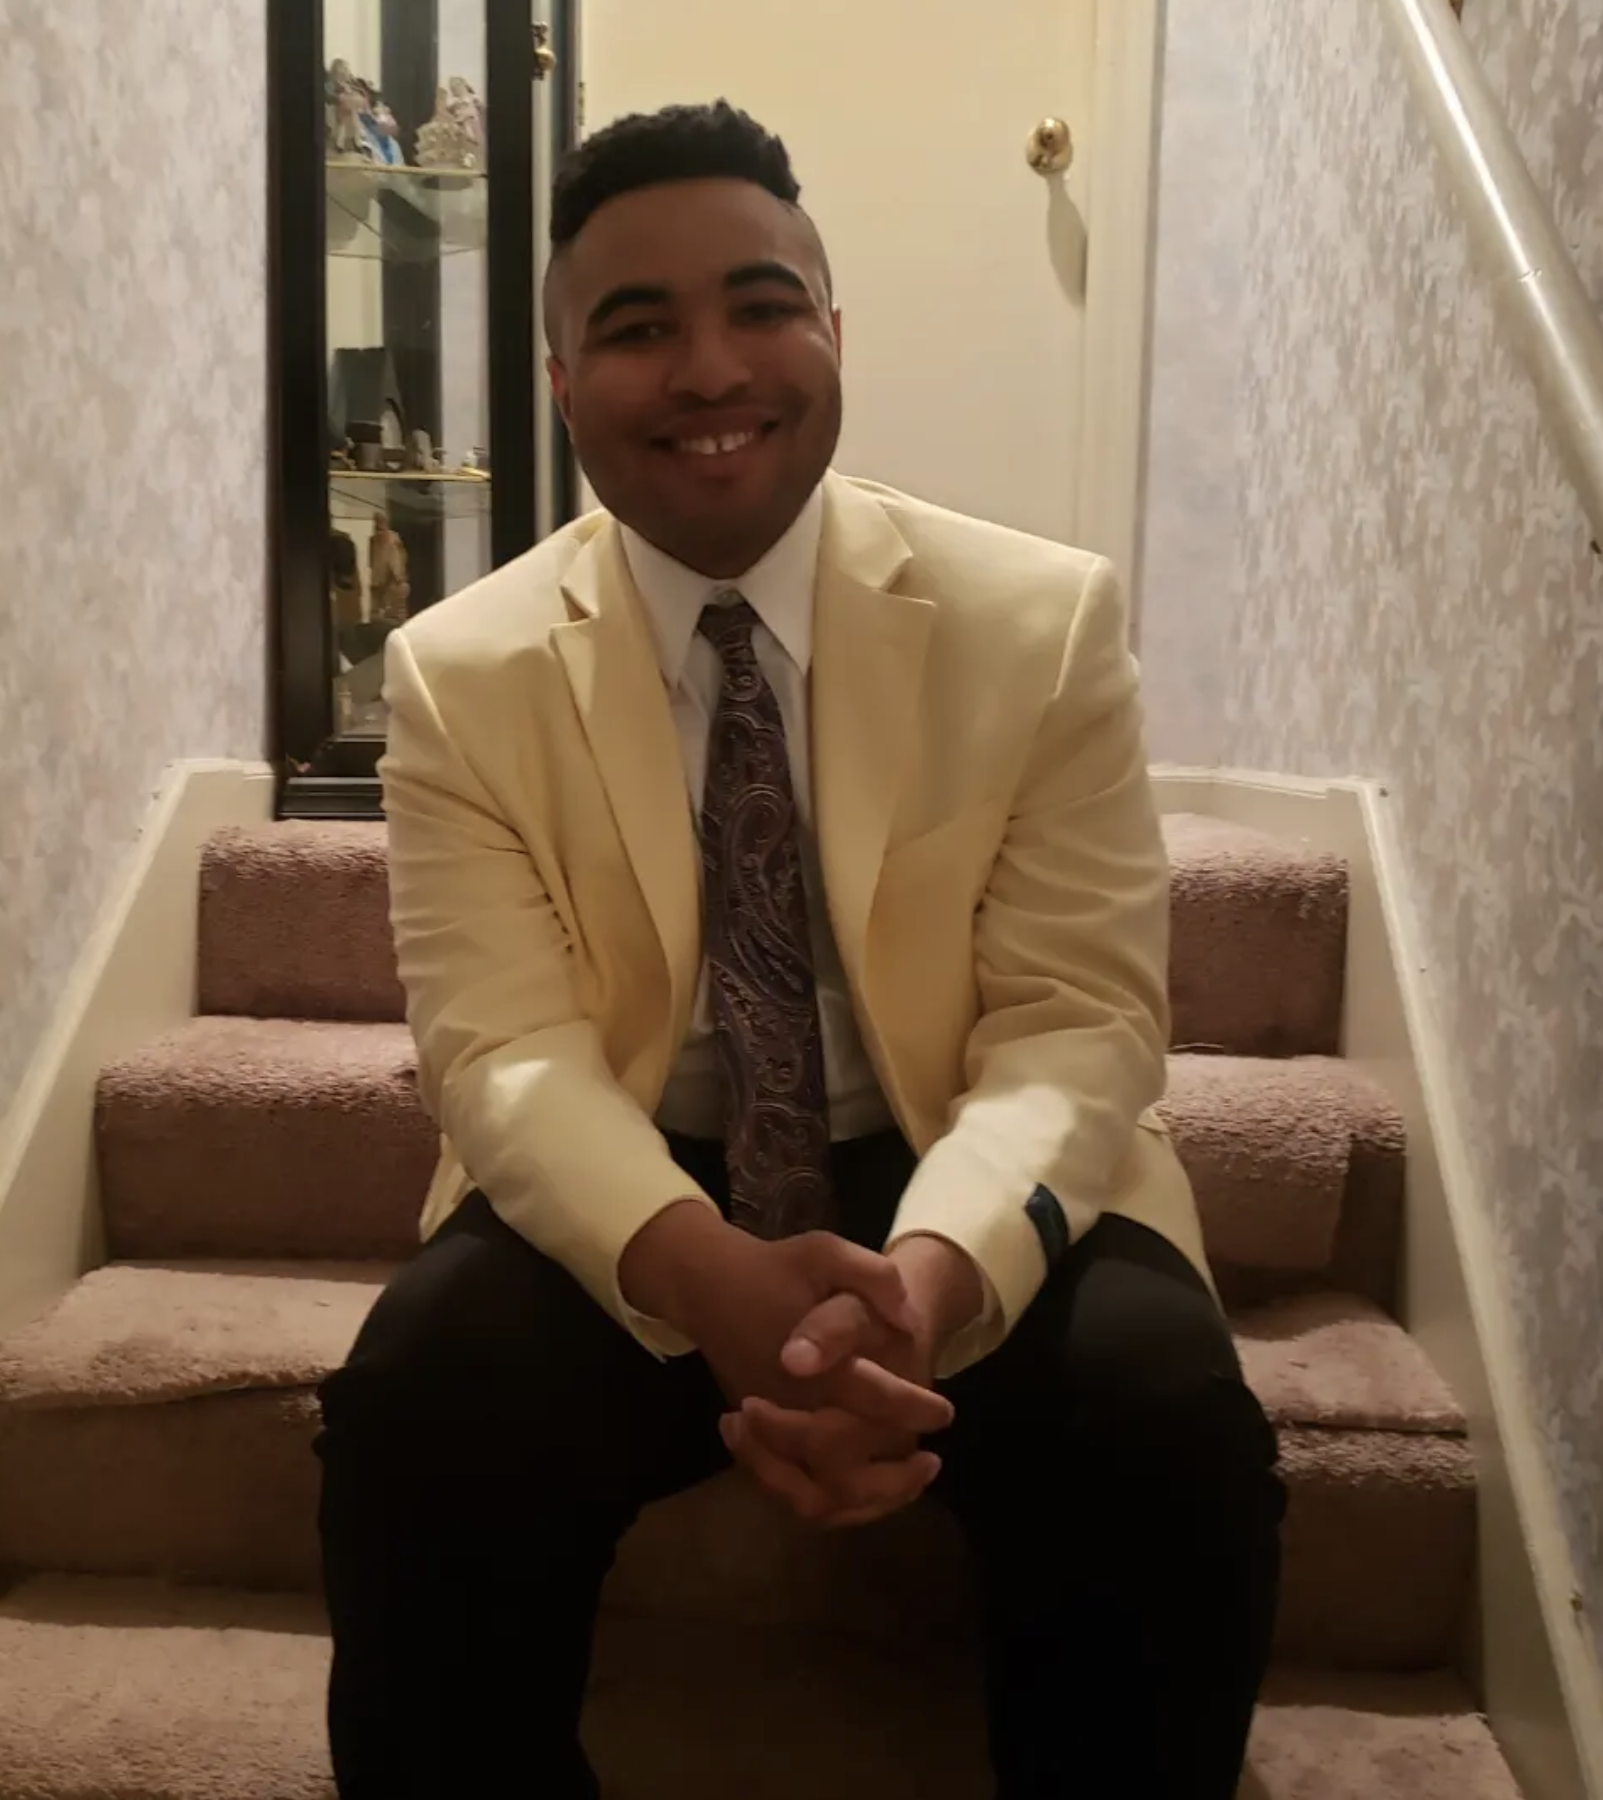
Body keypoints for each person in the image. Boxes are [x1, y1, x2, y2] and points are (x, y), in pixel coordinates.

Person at [314, 99, 1286, 1800]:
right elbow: (506, 1057)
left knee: (1165, 1420)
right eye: (636, 327)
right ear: (557, 382)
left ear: (833, 333)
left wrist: (924, 1283)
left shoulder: (1038, 622)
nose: (710, 370)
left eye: (761, 306)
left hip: (953, 1145)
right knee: (422, 1404)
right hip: (644, 1161)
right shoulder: (460, 674)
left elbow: (1080, 1023)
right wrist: (707, 1275)